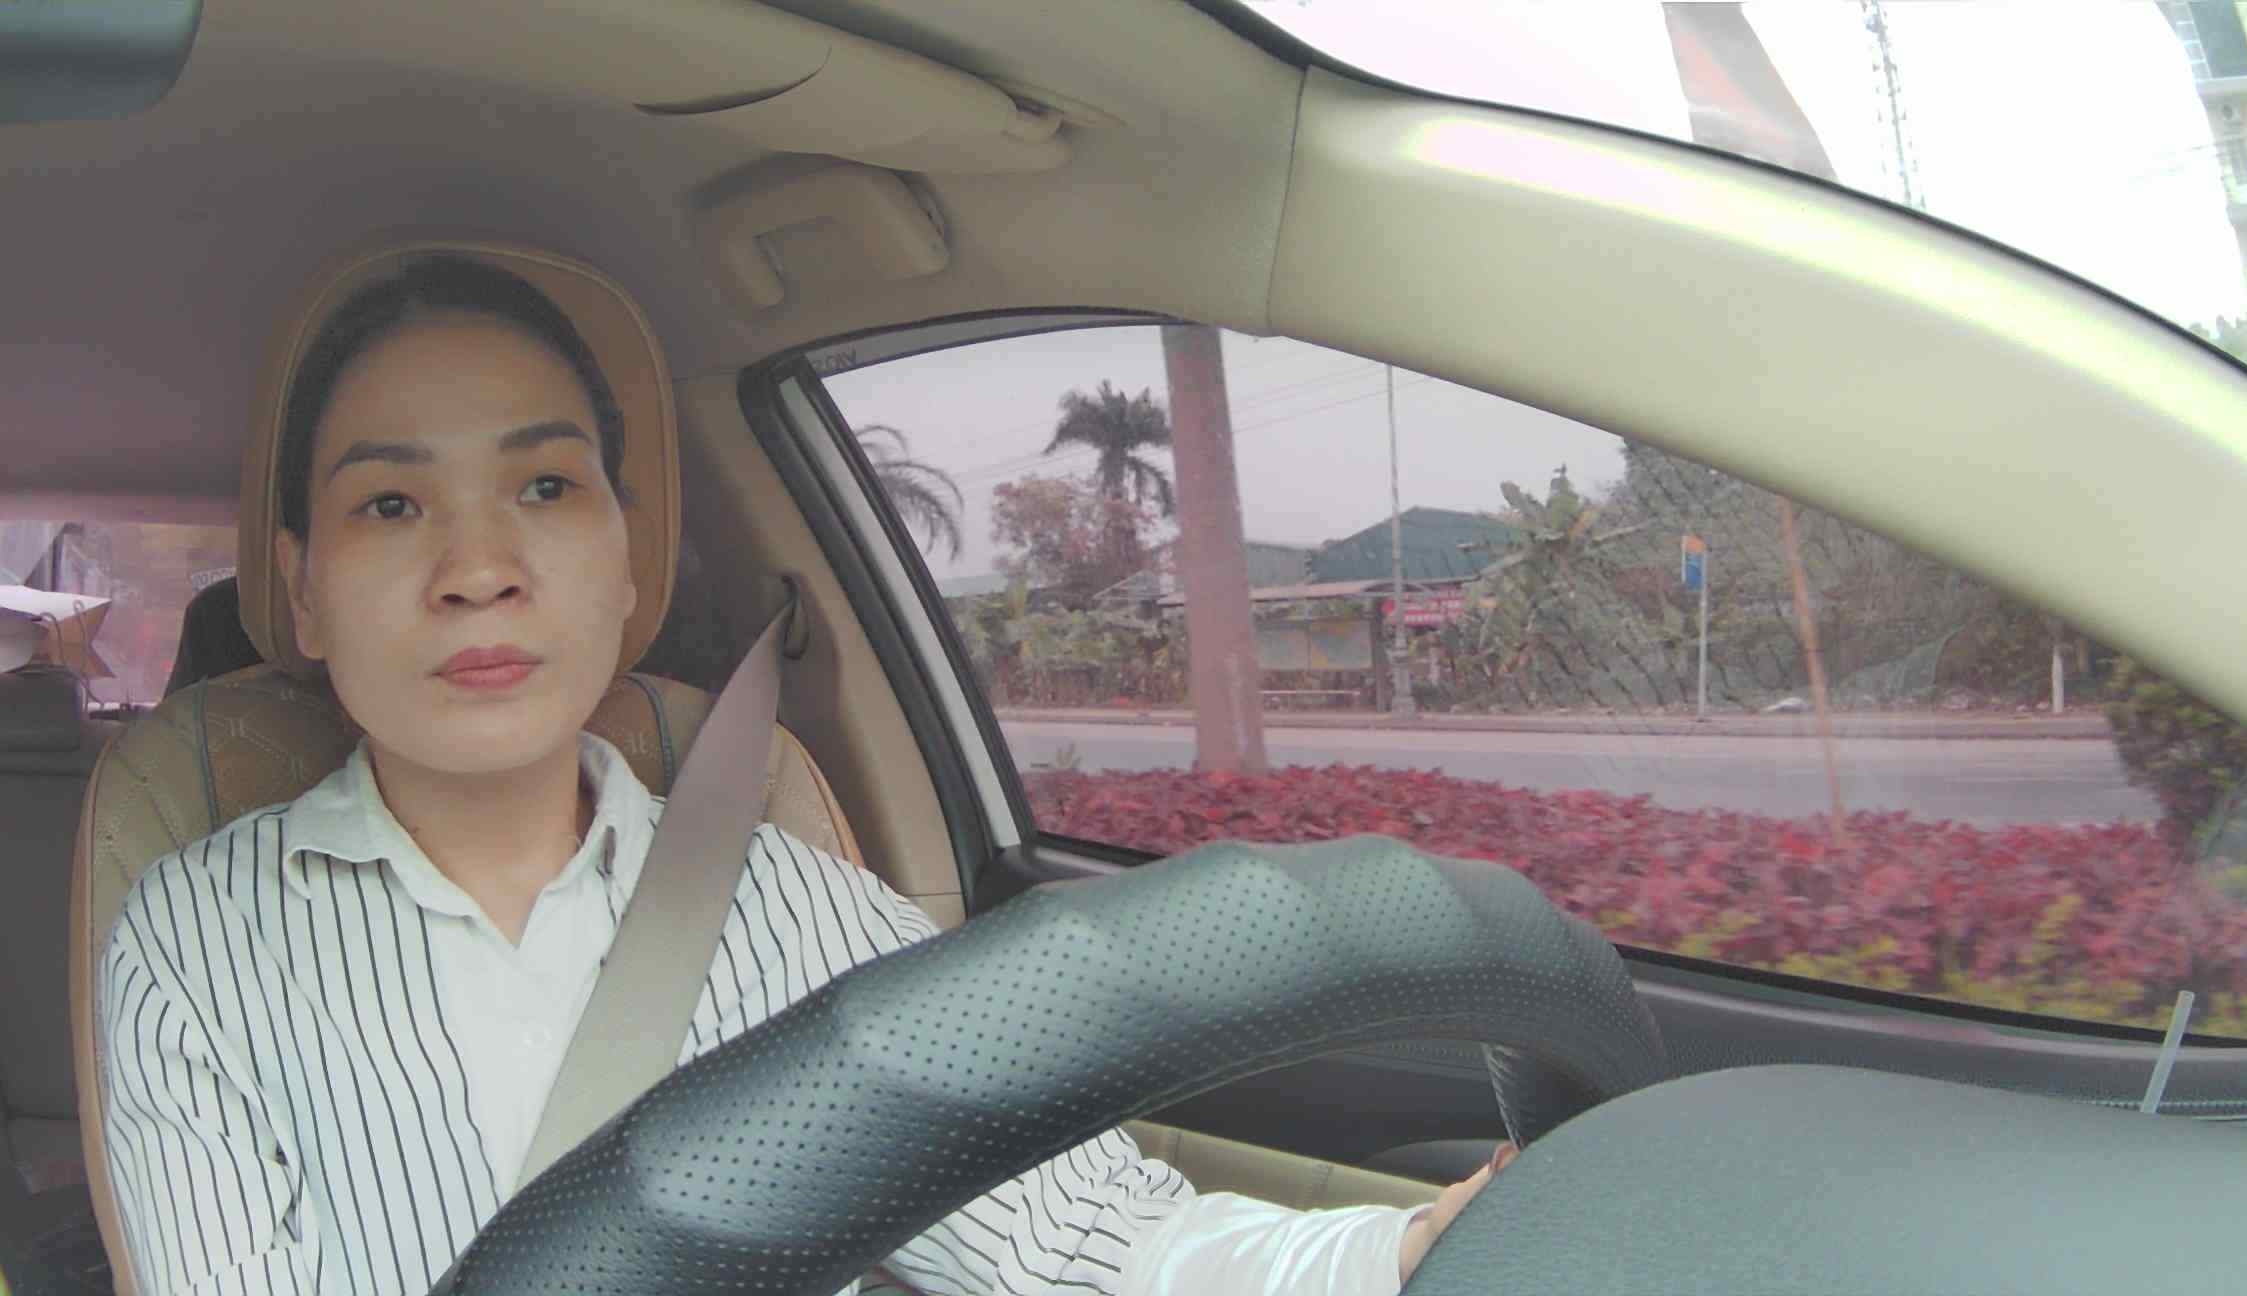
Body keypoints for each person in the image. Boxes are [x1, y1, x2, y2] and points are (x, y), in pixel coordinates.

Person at [95, 254, 1510, 1296]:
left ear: (629, 556)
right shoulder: (197, 942)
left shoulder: (800, 907)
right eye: (392, 502)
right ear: (302, 587)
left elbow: (1095, 1246)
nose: (478, 570)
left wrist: (1396, 1253)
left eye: (544, 486)